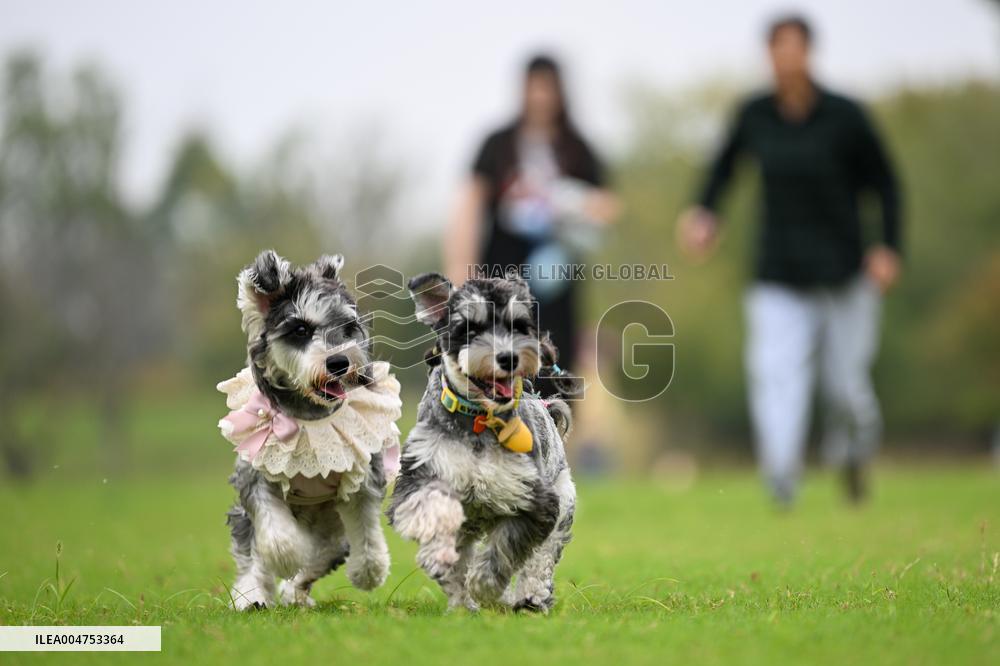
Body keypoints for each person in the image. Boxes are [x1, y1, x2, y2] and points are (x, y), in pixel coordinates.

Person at [677, 15, 902, 506]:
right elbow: (723, 168)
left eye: (793, 48)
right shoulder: (754, 114)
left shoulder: (845, 115)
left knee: (847, 389)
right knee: (774, 377)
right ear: (769, 55)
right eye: (777, 49)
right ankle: (781, 477)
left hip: (844, 272)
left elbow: (885, 182)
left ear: (808, 53)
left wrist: (888, 246)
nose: (785, 58)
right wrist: (704, 214)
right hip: (777, 273)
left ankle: (852, 458)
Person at [445, 54, 620, 379]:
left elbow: (608, 207)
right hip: (500, 275)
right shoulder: (497, 144)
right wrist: (460, 270)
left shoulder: (578, 148)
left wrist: (570, 203)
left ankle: (555, 427)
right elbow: (469, 206)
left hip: (557, 282)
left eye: (548, 88)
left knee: (554, 370)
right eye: (534, 88)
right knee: (495, 367)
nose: (541, 97)